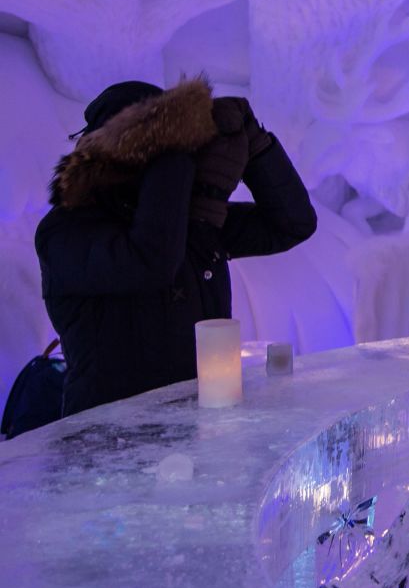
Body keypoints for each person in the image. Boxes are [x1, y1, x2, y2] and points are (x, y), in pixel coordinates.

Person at [35, 78, 317, 416]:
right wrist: (176, 155)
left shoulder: (187, 223)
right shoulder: (65, 232)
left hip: (196, 436)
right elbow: (151, 261)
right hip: (108, 446)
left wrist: (257, 147)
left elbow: (291, 224)